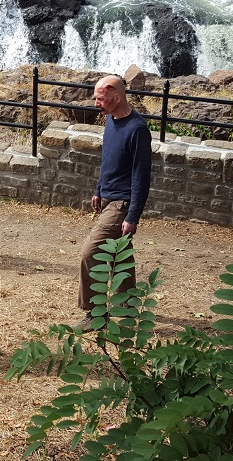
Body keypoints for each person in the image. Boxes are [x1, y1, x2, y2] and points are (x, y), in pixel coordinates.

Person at [75, 75, 152, 329]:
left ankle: (95, 315)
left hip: (122, 203)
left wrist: (133, 215)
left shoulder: (137, 129)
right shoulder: (110, 119)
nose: (96, 103)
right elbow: (108, 159)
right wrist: (99, 189)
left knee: (90, 253)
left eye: (100, 98)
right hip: (108, 198)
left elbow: (141, 175)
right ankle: (128, 307)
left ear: (116, 97)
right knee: (120, 255)